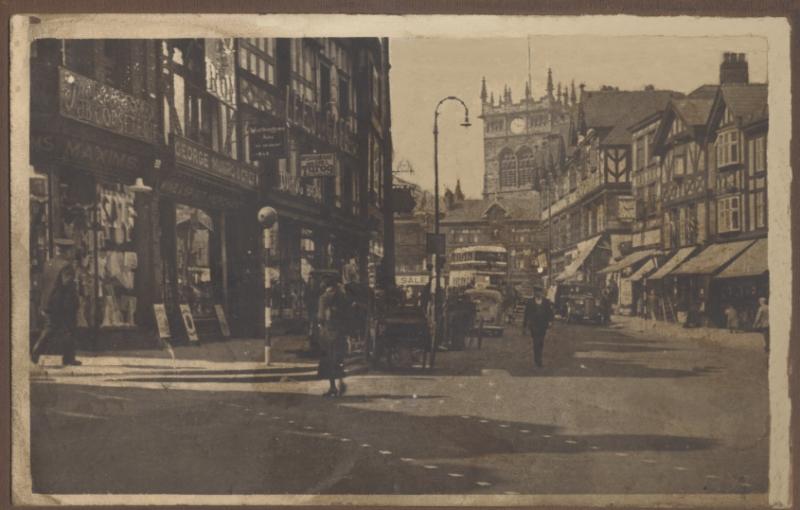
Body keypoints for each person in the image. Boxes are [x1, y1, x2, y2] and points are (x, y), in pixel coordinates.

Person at [31, 238, 81, 366]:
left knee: (52, 328)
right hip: (62, 304)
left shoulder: (48, 263)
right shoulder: (66, 265)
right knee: (67, 329)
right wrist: (75, 298)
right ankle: (37, 352)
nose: (71, 253)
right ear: (67, 251)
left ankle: (68, 357)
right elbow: (67, 284)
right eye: (70, 251)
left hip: (48, 302)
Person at [317, 275, 350, 397]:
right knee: (339, 359)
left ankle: (333, 387)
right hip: (341, 331)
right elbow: (349, 314)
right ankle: (340, 382)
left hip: (328, 331)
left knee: (329, 360)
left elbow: (320, 317)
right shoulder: (343, 297)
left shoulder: (323, 298)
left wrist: (320, 326)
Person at [522, 286, 554, 369]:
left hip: (543, 325)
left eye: (540, 292)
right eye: (536, 292)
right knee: (536, 342)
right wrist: (524, 326)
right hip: (534, 325)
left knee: (541, 342)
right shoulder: (530, 302)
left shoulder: (546, 302)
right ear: (534, 293)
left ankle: (538, 359)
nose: (538, 293)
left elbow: (550, 312)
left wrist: (550, 321)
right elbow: (526, 314)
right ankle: (538, 360)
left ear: (542, 293)